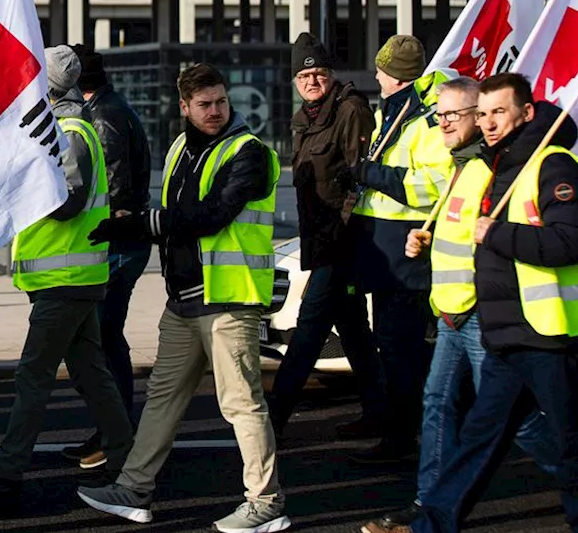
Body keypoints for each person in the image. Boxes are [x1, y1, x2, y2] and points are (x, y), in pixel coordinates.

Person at [363, 72, 578, 533]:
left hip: (551, 335)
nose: (489, 123)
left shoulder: (553, 166)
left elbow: (569, 243)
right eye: (485, 113)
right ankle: (431, 522)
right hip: (506, 330)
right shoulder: (493, 167)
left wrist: (497, 232)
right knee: (478, 437)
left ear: (525, 113)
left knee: (569, 441)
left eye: (498, 112)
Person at [77, 63, 289, 533]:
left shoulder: (248, 151)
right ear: (185, 108)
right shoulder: (179, 148)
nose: (215, 111)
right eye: (205, 104)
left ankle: (266, 501)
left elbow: (211, 215)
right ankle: (134, 489)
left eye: (220, 102)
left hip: (229, 299)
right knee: (162, 397)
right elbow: (177, 215)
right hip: (185, 299)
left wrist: (142, 224)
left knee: (241, 404)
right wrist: (139, 219)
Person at [0, 44, 133, 507]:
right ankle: (127, 456)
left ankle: (6, 472)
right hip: (72, 275)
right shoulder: (68, 125)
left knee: (34, 376)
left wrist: (18, 194)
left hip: (64, 279)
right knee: (93, 372)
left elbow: (68, 199)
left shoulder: (68, 130)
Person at [268, 32, 385, 437]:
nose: (311, 81)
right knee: (354, 332)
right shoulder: (305, 117)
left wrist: (341, 237)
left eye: (318, 74)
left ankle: (272, 420)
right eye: (303, 77)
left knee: (308, 331)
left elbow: (360, 178)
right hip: (318, 242)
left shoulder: (350, 110)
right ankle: (378, 413)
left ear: (331, 75)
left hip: (341, 243)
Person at [344, 35, 451, 461]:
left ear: (395, 75)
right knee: (392, 344)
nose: (375, 76)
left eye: (381, 70)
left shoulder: (425, 119)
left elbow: (433, 185)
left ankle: (405, 439)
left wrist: (372, 174)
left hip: (406, 253)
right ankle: (401, 431)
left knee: (402, 348)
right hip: (386, 252)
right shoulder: (395, 110)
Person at [59, 43, 152, 470]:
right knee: (103, 336)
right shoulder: (112, 108)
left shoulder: (102, 116)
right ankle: (113, 430)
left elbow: (115, 186)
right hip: (121, 242)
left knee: (103, 336)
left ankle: (117, 435)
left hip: (117, 244)